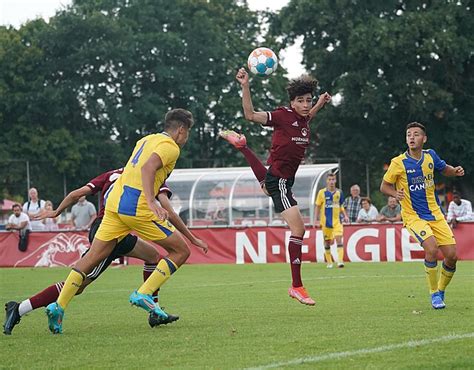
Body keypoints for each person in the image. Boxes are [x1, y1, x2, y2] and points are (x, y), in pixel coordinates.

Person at [44, 108, 197, 334]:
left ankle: (59, 306)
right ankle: (144, 293)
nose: (187, 138)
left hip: (114, 205)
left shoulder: (145, 140)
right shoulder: (170, 147)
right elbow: (147, 168)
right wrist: (150, 200)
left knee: (91, 258)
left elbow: (136, 169)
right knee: (181, 251)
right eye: (188, 132)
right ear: (181, 130)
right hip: (136, 206)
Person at [3, 166, 207, 335]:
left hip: (111, 228)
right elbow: (168, 208)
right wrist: (191, 238)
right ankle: (19, 308)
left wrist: (56, 211)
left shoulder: (112, 174)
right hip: (110, 232)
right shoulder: (150, 176)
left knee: (152, 256)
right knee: (78, 285)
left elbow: (76, 194)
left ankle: (154, 310)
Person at [219, 68, 331, 306]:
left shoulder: (304, 119)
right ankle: (297, 286)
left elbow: (308, 115)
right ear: (292, 102)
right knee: (298, 230)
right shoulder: (282, 116)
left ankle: (242, 147)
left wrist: (319, 103)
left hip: (280, 179)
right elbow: (250, 115)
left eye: (308, 100)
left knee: (267, 185)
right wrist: (245, 85)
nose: (304, 105)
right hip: (279, 180)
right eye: (300, 101)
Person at [380, 122, 464, 309]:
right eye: (409, 134)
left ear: (424, 139)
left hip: (435, 213)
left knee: (451, 256)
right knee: (432, 249)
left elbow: (444, 169)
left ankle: (441, 290)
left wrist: (455, 171)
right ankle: (434, 294)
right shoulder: (398, 163)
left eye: (416, 134)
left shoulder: (430, 156)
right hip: (413, 216)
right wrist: (395, 194)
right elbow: (384, 186)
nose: (411, 137)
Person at [313, 173, 349, 268]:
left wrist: (345, 215)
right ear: (327, 181)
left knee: (338, 239)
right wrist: (315, 220)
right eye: (330, 179)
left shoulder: (339, 192)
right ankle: (329, 262)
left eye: (333, 179)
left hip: (337, 221)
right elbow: (318, 206)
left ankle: (340, 261)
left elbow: (341, 205)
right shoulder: (321, 192)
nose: (331, 182)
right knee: (327, 241)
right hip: (325, 222)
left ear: (335, 180)